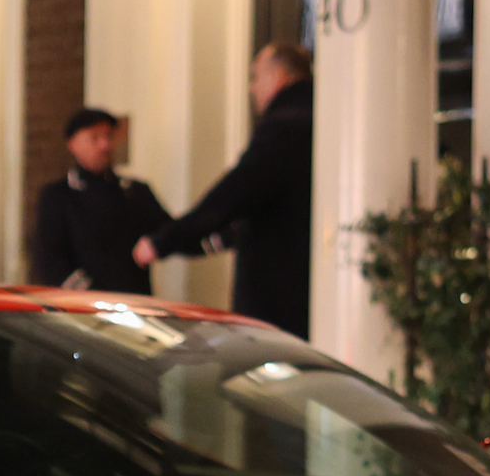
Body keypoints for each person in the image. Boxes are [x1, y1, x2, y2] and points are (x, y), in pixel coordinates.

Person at [133, 42, 313, 338]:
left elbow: (233, 195)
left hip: (280, 297)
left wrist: (164, 241)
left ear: (278, 76)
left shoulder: (285, 127)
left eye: (256, 77)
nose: (252, 89)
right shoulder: (317, 121)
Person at [29, 107, 168, 293]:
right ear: (73, 144)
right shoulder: (58, 196)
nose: (105, 145)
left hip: (134, 305)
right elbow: (50, 262)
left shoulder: (135, 192)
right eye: (94, 138)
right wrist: (94, 298)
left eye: (109, 136)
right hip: (82, 308)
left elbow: (169, 233)